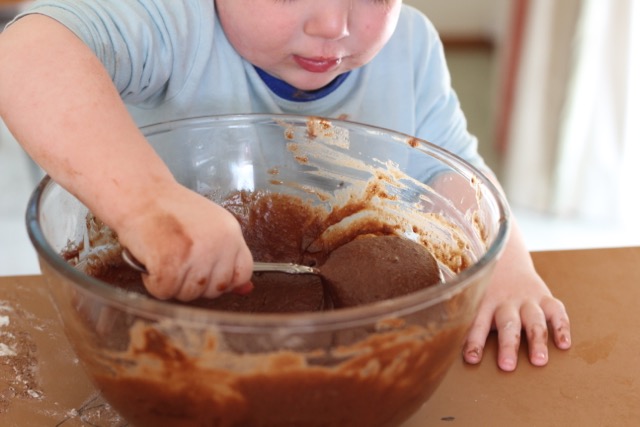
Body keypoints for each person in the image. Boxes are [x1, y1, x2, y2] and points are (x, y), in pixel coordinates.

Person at [0, 0, 570, 371]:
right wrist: (148, 203)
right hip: (147, 344)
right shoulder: (171, 23)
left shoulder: (411, 49)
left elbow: (455, 175)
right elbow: (24, 53)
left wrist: (510, 270)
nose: (332, 25)